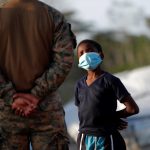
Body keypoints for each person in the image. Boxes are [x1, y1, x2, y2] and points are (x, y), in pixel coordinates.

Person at [0, 0, 76, 149]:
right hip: (47, 111)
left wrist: (11, 96)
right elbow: (64, 62)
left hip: (6, 112)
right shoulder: (53, 16)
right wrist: (36, 94)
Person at [74, 39, 139, 150]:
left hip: (107, 138)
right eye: (81, 53)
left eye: (89, 51)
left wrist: (113, 117)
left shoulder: (110, 81)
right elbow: (85, 110)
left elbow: (132, 109)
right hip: (84, 137)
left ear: (101, 55)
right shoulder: (79, 84)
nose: (85, 55)